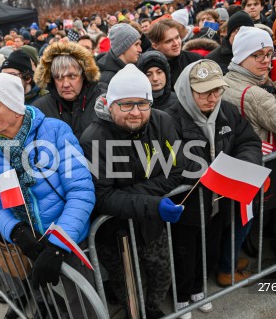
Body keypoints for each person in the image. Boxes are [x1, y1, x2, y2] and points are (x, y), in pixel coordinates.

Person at [0, 73, 96, 317]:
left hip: (70, 243)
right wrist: (18, 232)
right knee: (56, 303)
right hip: (32, 246)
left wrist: (57, 245)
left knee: (83, 307)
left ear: (14, 107)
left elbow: (81, 192)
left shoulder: (54, 131)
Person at [80, 64, 185, 318]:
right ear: (110, 104)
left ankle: (152, 308)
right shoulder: (93, 139)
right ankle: (133, 311)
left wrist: (134, 195)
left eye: (142, 103)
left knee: (161, 270)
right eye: (126, 104)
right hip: (113, 231)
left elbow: (177, 170)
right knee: (124, 281)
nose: (135, 113)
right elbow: (102, 196)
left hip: (151, 223)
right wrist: (150, 201)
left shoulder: (162, 122)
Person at [167, 60, 262, 318]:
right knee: (184, 253)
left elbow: (248, 142)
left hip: (217, 201)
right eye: (204, 92)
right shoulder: (169, 118)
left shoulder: (228, 111)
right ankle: (182, 298)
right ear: (188, 91)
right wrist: (202, 171)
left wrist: (243, 167)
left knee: (208, 249)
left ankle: (199, 290)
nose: (212, 97)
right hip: (186, 205)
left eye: (217, 90)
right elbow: (166, 160)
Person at [222, 26, 276, 284]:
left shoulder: (230, 78)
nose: (266, 61)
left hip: (238, 162)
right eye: (258, 55)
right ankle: (227, 269)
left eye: (269, 54)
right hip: (253, 166)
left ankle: (229, 260)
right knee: (243, 220)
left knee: (237, 219)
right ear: (242, 56)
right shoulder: (255, 94)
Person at [33, 41, 105, 138]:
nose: (66, 84)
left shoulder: (102, 102)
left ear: (84, 75)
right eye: (58, 77)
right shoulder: (40, 109)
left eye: (72, 76)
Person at [148, 19, 202, 89]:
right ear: (155, 46)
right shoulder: (148, 66)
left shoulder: (195, 60)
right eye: (169, 41)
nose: (176, 43)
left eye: (177, 37)